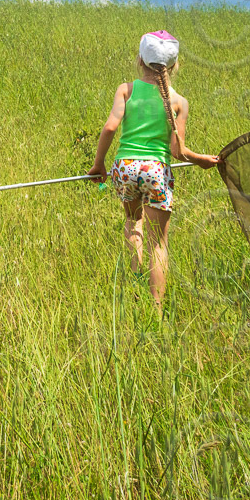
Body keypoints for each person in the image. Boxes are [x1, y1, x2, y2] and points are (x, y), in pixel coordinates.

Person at [87, 30, 220, 312]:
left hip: (124, 168)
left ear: (139, 60)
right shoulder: (178, 102)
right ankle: (155, 309)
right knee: (158, 244)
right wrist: (202, 160)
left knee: (133, 223)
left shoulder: (127, 89)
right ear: (174, 65)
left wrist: (99, 165)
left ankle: (135, 287)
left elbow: (110, 127)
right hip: (156, 170)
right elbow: (177, 151)